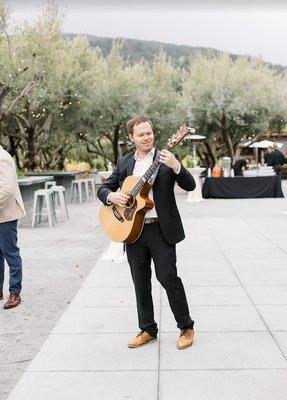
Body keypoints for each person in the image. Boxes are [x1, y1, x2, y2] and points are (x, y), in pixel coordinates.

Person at [97, 116, 196, 350]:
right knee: (140, 282)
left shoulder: (166, 158)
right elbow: (104, 189)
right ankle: (148, 329)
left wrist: (176, 166)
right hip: (133, 231)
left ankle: (186, 326)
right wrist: (112, 196)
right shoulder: (124, 163)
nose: (146, 137)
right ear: (132, 138)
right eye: (141, 134)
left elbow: (190, 186)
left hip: (161, 230)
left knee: (168, 278)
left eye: (149, 133)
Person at [0, 144, 25, 309]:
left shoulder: (3, 158)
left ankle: (15, 292)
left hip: (6, 214)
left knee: (10, 253)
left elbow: (6, 190)